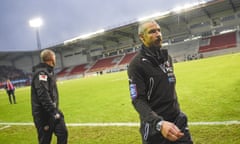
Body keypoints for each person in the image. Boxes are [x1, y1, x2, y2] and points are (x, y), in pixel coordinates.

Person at [127, 20, 193, 144]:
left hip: (177, 121)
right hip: (155, 127)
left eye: (159, 30)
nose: (158, 34)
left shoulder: (167, 58)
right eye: (152, 32)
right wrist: (159, 123)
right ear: (142, 37)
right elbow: (138, 100)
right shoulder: (137, 65)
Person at [31, 49, 68, 144]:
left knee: (63, 133)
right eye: (55, 57)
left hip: (53, 111)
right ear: (51, 58)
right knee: (45, 140)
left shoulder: (49, 72)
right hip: (43, 115)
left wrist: (55, 110)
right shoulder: (41, 73)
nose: (55, 59)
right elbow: (43, 95)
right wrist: (54, 111)